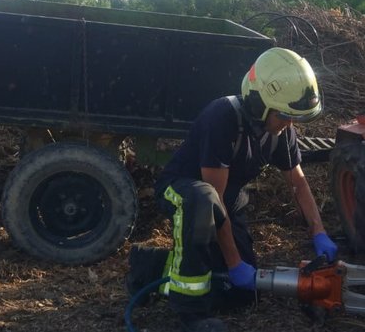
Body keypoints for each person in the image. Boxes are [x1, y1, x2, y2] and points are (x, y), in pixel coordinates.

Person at [127, 47, 337, 332]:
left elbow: (298, 183)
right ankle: (190, 311)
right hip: (184, 192)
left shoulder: (281, 131)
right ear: (259, 103)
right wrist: (235, 263)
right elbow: (214, 197)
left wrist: (319, 233)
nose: (290, 124)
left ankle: (150, 268)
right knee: (204, 203)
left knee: (241, 295)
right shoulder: (223, 118)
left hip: (225, 199)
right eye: (285, 116)